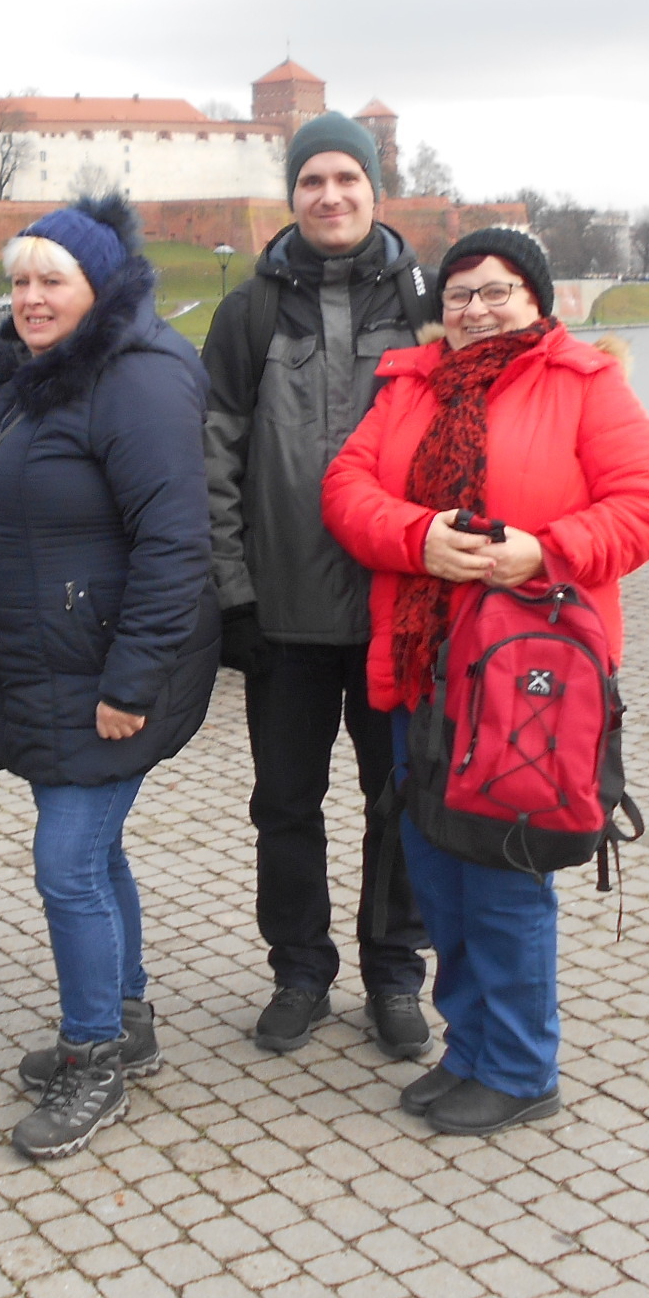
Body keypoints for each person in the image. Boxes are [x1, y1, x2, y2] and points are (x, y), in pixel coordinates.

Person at [323, 227, 649, 1135]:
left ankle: (522, 1069)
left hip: (529, 677)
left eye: (497, 291)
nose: (476, 309)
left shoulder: (586, 384)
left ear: (535, 299)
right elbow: (347, 490)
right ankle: (472, 1049)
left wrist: (544, 551)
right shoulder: (410, 386)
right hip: (421, 670)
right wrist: (418, 539)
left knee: (505, 873)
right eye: (459, 294)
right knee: (438, 871)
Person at [0, 197, 219, 1160]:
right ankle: (127, 1020)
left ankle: (93, 1055)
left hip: (110, 670)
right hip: (47, 664)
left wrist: (131, 683)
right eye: (19, 280)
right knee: (94, 856)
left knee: (66, 863)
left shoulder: (137, 381)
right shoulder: (28, 379)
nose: (30, 297)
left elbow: (176, 545)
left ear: (98, 287)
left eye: (51, 280)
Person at [200, 112, 444, 1060]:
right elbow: (214, 459)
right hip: (285, 616)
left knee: (401, 799)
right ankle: (299, 970)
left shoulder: (428, 304)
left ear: (375, 189)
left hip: (399, 612)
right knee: (285, 806)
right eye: (313, 180)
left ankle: (394, 974)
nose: (330, 195)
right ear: (292, 193)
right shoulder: (248, 312)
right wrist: (233, 594)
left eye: (348, 178)